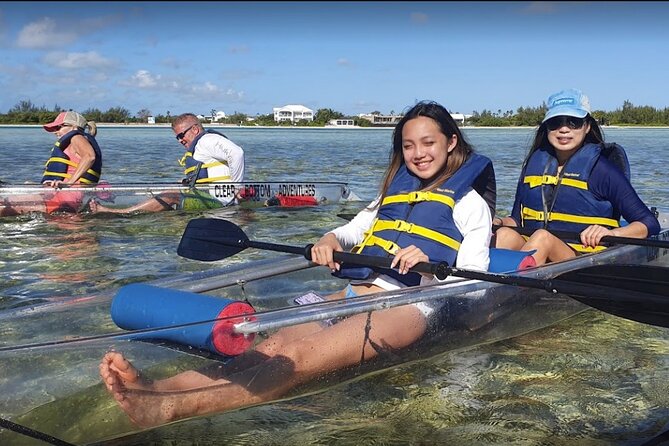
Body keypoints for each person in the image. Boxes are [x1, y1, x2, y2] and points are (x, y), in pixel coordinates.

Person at [99, 100, 495, 427]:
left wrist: (429, 265)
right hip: (353, 293)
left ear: (451, 141)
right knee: (273, 346)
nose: (418, 154)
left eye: (428, 142)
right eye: (408, 146)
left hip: (412, 306)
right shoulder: (394, 192)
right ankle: (161, 387)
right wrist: (328, 239)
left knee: (300, 359)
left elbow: (476, 286)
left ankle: (171, 409)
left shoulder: (469, 204)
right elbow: (352, 231)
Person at [493, 88, 660, 265]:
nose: (564, 129)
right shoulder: (533, 167)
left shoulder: (602, 171)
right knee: (504, 234)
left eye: (573, 122)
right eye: (555, 122)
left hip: (583, 259)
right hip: (536, 256)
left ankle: (505, 289)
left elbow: (649, 222)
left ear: (587, 126)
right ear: (547, 127)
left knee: (543, 238)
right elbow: (516, 220)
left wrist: (612, 233)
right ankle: (478, 286)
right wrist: (498, 221)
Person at [90, 113, 245, 213]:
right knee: (174, 188)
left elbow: (237, 153)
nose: (180, 140)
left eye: (181, 135)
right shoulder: (201, 145)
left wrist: (237, 187)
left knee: (171, 195)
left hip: (220, 202)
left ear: (196, 129)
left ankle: (119, 213)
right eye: (177, 137)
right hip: (209, 197)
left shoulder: (207, 140)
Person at [0, 111, 102, 216]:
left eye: (59, 127)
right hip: (59, 196)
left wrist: (69, 182)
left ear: (74, 127)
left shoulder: (76, 137)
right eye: (54, 128)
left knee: (3, 206)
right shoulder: (73, 141)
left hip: (62, 198)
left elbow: (90, 157)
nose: (55, 131)